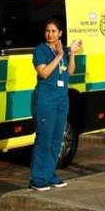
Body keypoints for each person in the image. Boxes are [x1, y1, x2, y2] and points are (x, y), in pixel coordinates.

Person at [31, 19, 81, 191]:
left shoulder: (63, 50)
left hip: (61, 99)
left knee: (56, 139)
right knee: (44, 139)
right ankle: (37, 178)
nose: (50, 34)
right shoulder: (40, 50)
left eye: (53, 31)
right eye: (47, 31)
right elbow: (43, 73)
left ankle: (49, 174)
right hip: (46, 99)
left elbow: (71, 71)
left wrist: (71, 53)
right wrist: (59, 55)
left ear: (60, 33)